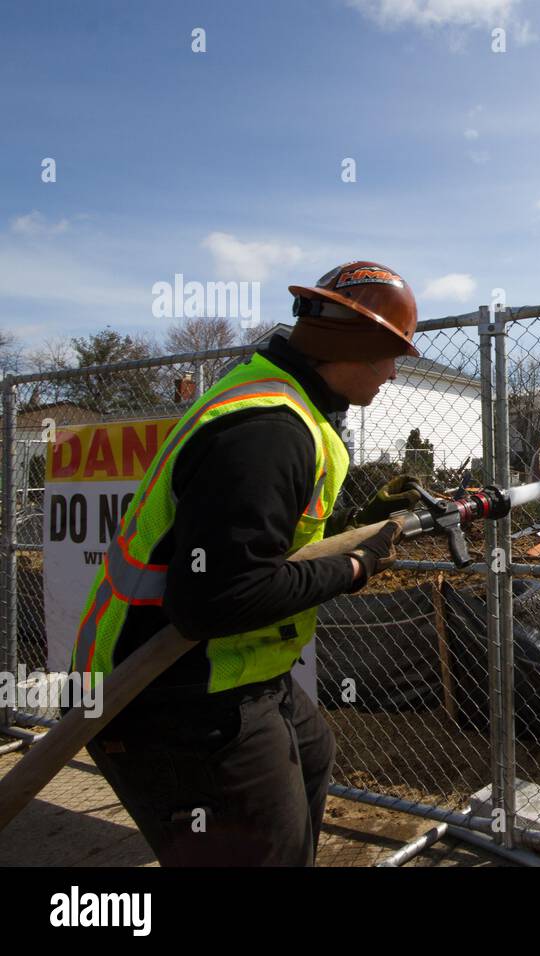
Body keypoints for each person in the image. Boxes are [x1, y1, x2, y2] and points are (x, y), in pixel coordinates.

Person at [69, 260, 426, 866]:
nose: (394, 373)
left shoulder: (285, 401)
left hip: (228, 673)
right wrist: (355, 569)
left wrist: (356, 523)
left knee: (311, 753)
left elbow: (262, 543)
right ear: (358, 345)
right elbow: (216, 599)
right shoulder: (270, 430)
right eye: (392, 354)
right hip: (169, 697)